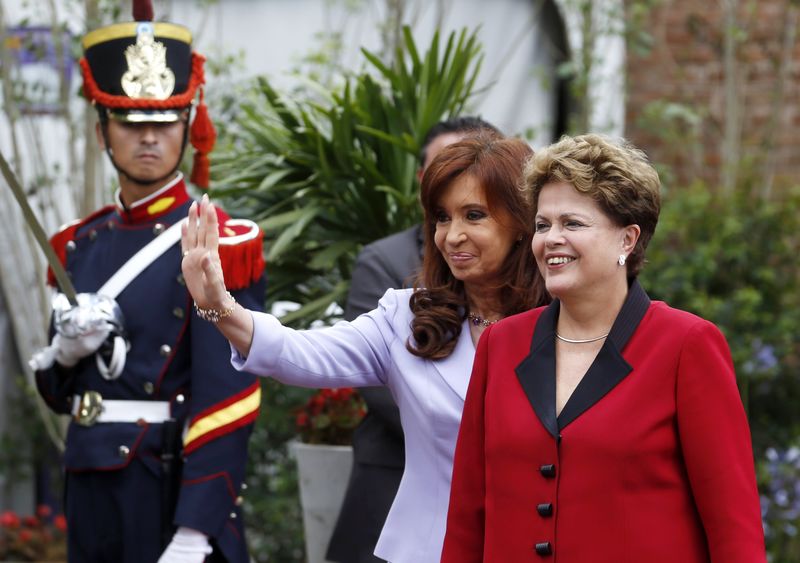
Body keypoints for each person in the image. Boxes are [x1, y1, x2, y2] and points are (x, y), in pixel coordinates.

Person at [181, 135, 548, 563]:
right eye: (442, 218)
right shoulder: (406, 317)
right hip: (428, 549)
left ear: (522, 222)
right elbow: (299, 353)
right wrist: (221, 309)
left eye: (474, 215)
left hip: (539, 546)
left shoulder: (566, 323)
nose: (452, 236)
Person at [441, 134, 766, 562]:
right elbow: (467, 516)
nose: (551, 239)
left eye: (572, 224)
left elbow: (734, 530)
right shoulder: (502, 344)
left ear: (627, 240)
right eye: (543, 225)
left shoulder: (686, 346)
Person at [31, 2, 266, 562]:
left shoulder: (221, 240)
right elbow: (57, 396)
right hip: (89, 483)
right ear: (102, 132)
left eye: (165, 122)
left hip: (164, 488)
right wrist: (64, 356)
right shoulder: (77, 243)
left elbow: (229, 395)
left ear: (188, 128)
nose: (149, 138)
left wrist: (195, 529)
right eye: (131, 124)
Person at [326, 116, 502, 563]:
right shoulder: (389, 265)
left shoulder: (550, 296)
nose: (454, 235)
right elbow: (365, 371)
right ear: (425, 179)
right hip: (397, 475)